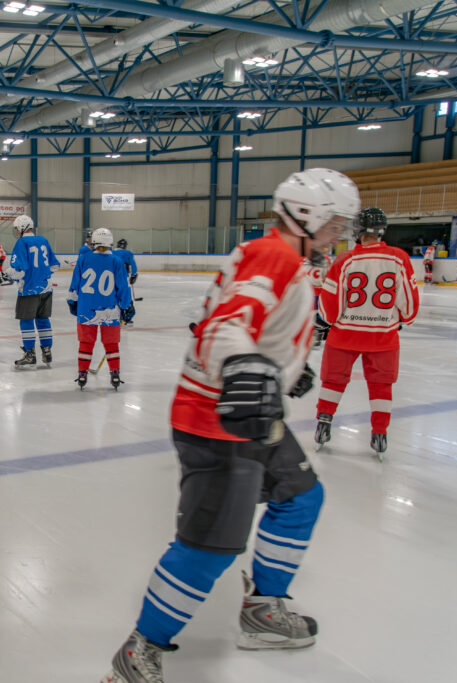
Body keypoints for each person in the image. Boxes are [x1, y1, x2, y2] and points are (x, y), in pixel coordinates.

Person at [100, 168, 358, 683]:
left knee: (300, 496)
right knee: (209, 544)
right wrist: (246, 366)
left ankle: (263, 608)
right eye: (334, 225)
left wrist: (283, 365)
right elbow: (225, 326)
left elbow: (218, 318)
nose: (338, 237)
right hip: (219, 422)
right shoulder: (277, 255)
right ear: (308, 217)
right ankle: (141, 648)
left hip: (251, 416)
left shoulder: (277, 254)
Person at [314, 207, 420, 458]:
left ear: (357, 231)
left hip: (344, 335)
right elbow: (410, 304)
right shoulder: (399, 258)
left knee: (333, 380)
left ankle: (323, 424)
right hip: (383, 336)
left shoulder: (344, 260)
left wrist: (331, 321)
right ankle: (380, 433)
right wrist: (403, 318)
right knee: (381, 384)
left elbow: (328, 308)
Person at [66, 227, 131, 390]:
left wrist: (73, 303)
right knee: (111, 344)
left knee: (86, 343)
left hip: (86, 309)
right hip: (111, 310)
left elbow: (74, 286)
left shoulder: (83, 259)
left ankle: (82, 373)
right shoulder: (116, 261)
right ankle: (115, 373)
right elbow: (123, 287)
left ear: (94, 241)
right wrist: (125, 306)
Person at [7, 215, 60, 368]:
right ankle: (47, 351)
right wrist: (41, 275)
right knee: (43, 320)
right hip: (46, 288)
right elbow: (54, 266)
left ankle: (30, 353)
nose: (16, 232)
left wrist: (6, 274)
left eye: (17, 229)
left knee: (27, 320)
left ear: (22, 228)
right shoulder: (43, 240)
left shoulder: (21, 242)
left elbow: (19, 271)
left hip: (29, 289)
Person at [113, 238, 139, 325]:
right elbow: (133, 267)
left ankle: (115, 317)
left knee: (114, 297)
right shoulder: (128, 253)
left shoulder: (112, 252)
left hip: (110, 278)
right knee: (125, 298)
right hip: (122, 278)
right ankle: (125, 318)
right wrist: (134, 275)